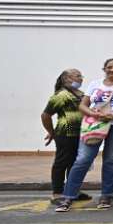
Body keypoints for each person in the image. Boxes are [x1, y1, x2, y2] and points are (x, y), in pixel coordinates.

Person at [55, 58, 113, 212]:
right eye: (109, 67)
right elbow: (83, 105)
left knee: (110, 160)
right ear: (104, 69)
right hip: (95, 125)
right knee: (83, 159)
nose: (112, 70)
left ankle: (106, 195)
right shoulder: (95, 84)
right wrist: (94, 114)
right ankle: (68, 197)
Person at [41, 68, 90, 204]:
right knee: (62, 162)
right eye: (77, 76)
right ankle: (57, 193)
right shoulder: (61, 95)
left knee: (74, 163)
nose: (81, 78)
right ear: (66, 79)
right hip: (66, 132)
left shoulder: (80, 94)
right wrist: (51, 132)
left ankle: (72, 191)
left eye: (81, 75)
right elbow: (46, 115)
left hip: (80, 133)